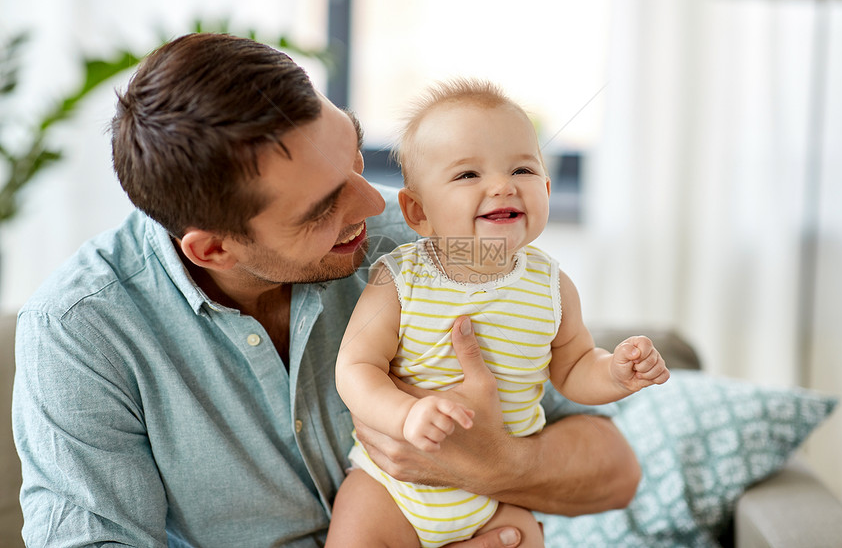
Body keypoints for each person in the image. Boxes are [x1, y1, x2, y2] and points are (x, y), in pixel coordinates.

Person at [12, 34, 641, 547]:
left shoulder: (430, 247)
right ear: (213, 249)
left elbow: (615, 472)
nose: (376, 203)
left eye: (358, 157)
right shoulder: (81, 329)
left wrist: (495, 465)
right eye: (321, 207)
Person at [327, 79, 670, 548]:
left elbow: (573, 367)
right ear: (417, 212)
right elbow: (355, 368)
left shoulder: (552, 287)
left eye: (523, 170)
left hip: (497, 498)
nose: (502, 186)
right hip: (390, 490)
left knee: (524, 538)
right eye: (468, 175)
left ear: (547, 189)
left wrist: (615, 371)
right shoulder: (401, 279)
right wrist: (407, 414)